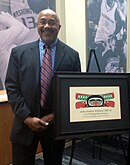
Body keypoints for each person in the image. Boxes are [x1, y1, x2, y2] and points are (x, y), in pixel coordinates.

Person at [5, 8, 81, 165]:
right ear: (37, 25)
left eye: (52, 22)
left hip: (55, 127)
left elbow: (74, 92)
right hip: (23, 125)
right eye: (43, 22)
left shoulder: (72, 56)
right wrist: (27, 117)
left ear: (59, 27)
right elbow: (12, 87)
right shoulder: (18, 53)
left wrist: (54, 116)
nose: (47, 26)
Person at [0, 11, 29, 89]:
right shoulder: (2, 38)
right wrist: (2, 16)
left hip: (19, 82)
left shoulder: (7, 40)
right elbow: (18, 27)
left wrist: (5, 16)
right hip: (12, 86)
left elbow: (25, 30)